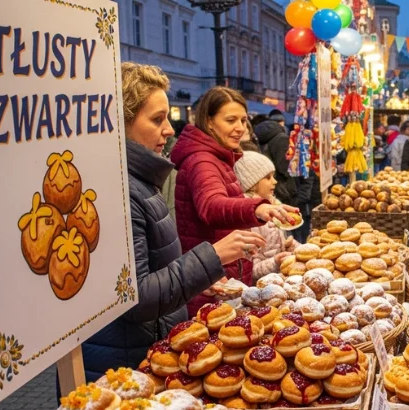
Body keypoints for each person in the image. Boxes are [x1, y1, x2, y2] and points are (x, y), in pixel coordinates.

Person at [81, 63, 266, 382]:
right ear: (120, 122)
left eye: (167, 117)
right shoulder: (116, 190)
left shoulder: (140, 180)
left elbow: (153, 265)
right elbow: (137, 297)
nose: (169, 129)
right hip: (122, 367)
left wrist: (198, 273)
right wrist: (213, 256)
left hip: (147, 350)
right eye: (157, 119)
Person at [171, 87, 297, 316]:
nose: (240, 128)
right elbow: (211, 206)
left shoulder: (218, 157)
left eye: (242, 120)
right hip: (211, 284)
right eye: (230, 120)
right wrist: (258, 206)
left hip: (223, 277)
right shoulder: (202, 160)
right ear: (209, 122)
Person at [234, 152, 299, 279]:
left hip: (280, 278)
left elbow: (278, 244)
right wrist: (275, 262)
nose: (275, 182)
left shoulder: (273, 204)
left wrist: (293, 247)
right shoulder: (249, 220)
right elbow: (251, 270)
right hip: (262, 287)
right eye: (268, 178)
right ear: (252, 183)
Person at [254, 115, 295, 207]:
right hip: (283, 188)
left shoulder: (262, 138)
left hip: (268, 184)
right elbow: (284, 168)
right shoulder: (282, 138)